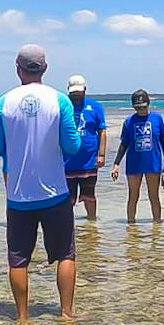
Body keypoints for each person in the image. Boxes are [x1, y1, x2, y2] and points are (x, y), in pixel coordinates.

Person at [0, 44, 82, 321]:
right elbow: (73, 146)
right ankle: (66, 314)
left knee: (18, 259)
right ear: (45, 68)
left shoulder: (3, 103)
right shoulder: (60, 100)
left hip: (18, 196)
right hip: (55, 193)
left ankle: (22, 317)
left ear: (17, 68)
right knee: (65, 253)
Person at [110, 90, 164, 224]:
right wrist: (116, 164)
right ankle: (131, 226)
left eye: (143, 107)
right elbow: (124, 144)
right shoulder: (128, 122)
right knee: (133, 196)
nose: (141, 110)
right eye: (138, 108)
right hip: (134, 164)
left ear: (148, 104)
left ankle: (157, 226)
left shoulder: (157, 119)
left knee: (154, 196)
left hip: (153, 163)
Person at [63, 74, 107, 221]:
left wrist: (101, 154)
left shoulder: (94, 107)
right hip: (66, 162)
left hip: (89, 161)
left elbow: (102, 131)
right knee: (68, 198)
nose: (76, 96)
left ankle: (91, 223)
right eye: (73, 93)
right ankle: (67, 224)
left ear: (85, 90)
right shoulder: (63, 107)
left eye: (79, 92)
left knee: (89, 195)